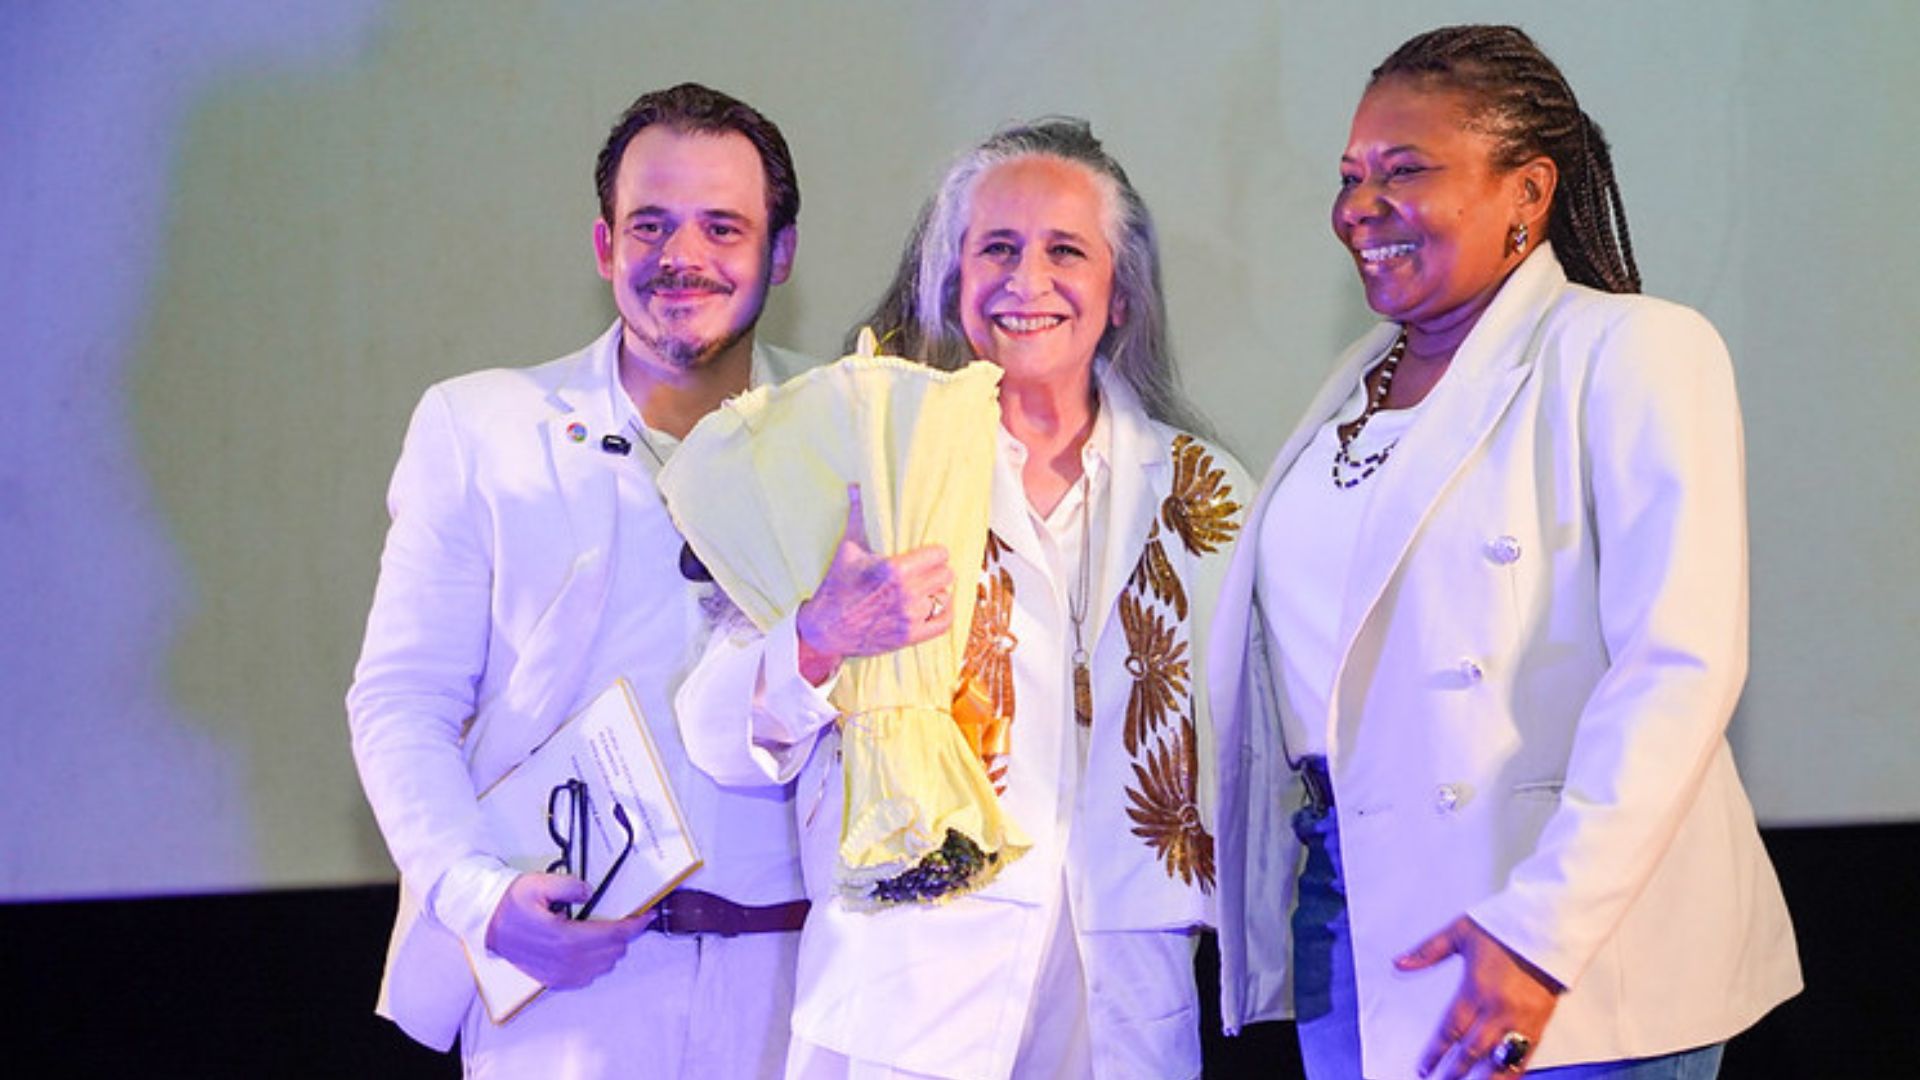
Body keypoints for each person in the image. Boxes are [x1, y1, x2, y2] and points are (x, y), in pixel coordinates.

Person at [1210, 24, 1802, 1080]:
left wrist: (1541, 929)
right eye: (1351, 175)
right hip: (1352, 919)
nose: (1358, 206)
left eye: (1405, 170)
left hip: (1561, 937)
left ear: (1528, 192)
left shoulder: (1633, 350)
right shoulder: (1354, 382)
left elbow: (1681, 665)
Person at [675, 118, 1251, 1080]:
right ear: (952, 282)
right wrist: (818, 637)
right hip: (904, 1007)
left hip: (1126, 1010)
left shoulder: (1210, 495)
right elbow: (709, 728)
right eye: (997, 249)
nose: (1028, 281)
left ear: (1120, 294)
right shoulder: (861, 457)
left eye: (1066, 249)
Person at [347, 83, 814, 1078]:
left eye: (722, 227)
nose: (681, 258)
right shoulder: (483, 429)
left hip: (808, 991)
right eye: (649, 225)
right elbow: (400, 703)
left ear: (780, 253)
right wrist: (476, 895)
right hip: (568, 992)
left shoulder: (852, 435)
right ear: (604, 247)